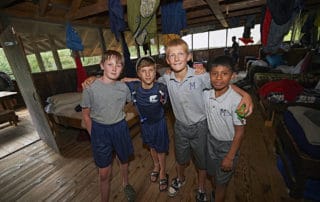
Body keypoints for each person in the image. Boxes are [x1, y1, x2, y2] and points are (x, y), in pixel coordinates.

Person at [156, 38, 253, 202]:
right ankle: (180, 178)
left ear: (189, 56)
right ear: (167, 60)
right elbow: (148, 81)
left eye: (180, 54)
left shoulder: (200, 76)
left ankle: (201, 187)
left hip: (200, 127)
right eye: (172, 55)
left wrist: (246, 95)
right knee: (180, 158)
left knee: (201, 160)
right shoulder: (166, 78)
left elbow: (223, 82)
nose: (177, 58)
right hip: (179, 126)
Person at [81, 50, 136, 202]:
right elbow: (86, 115)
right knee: (104, 173)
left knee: (123, 159)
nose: (114, 68)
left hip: (120, 128)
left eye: (118, 65)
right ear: (102, 65)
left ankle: (126, 183)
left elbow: (130, 101)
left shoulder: (123, 88)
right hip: (100, 131)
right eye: (110, 64)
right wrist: (95, 136)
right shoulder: (90, 87)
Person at [203, 55, 246, 202]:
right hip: (211, 141)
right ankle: (216, 194)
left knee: (221, 184)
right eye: (214, 73)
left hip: (228, 147)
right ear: (209, 75)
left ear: (232, 76)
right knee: (213, 175)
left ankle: (218, 196)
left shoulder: (239, 102)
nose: (219, 78)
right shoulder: (206, 93)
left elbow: (240, 132)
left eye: (224, 74)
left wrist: (230, 157)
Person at [125, 56, 170, 192]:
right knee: (151, 146)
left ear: (155, 71)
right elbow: (120, 80)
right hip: (145, 124)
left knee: (161, 149)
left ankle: (162, 171)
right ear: (138, 73)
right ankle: (156, 165)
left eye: (151, 70)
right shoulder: (135, 87)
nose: (148, 74)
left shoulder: (161, 88)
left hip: (159, 123)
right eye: (143, 71)